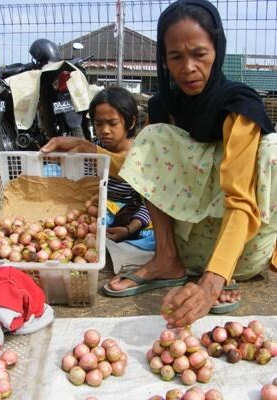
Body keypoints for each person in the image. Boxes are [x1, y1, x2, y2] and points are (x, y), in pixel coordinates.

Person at [105, 0, 277, 326]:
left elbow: (240, 200)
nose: (188, 68)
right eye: (175, 57)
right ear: (164, 60)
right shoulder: (164, 107)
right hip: (189, 248)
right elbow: (138, 167)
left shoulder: (239, 105)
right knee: (152, 137)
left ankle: (219, 273)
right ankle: (166, 259)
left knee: (272, 148)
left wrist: (213, 281)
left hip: (239, 254)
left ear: (217, 50)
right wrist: (84, 147)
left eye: (199, 54)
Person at [41, 86, 155, 251]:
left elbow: (149, 202)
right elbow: (82, 182)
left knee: (151, 238)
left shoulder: (139, 156)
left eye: (112, 123)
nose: (104, 131)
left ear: (131, 122)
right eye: (98, 124)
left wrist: (130, 229)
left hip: (126, 214)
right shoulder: (91, 151)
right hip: (96, 208)